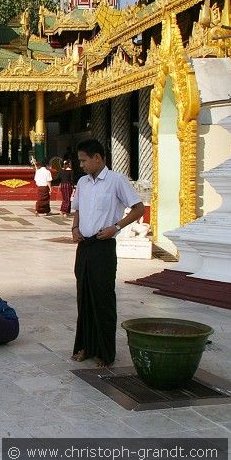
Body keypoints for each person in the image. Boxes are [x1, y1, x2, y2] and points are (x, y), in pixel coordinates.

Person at [71, 139, 145, 367]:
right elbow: (78, 210)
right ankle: (85, 346)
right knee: (83, 297)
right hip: (84, 246)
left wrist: (117, 227)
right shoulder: (83, 182)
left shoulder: (116, 181)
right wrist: (75, 228)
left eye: (84, 160)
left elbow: (138, 208)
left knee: (102, 298)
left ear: (97, 158)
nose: (81, 165)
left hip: (103, 247)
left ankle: (104, 352)